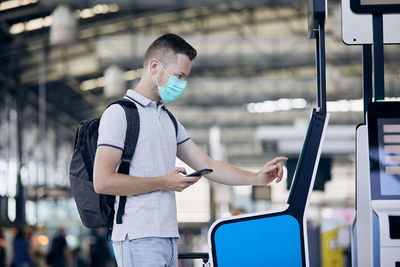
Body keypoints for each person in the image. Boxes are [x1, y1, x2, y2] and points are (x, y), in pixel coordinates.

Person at [93, 33, 287, 267]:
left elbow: (209, 165)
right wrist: (163, 182)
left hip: (168, 237)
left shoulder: (168, 120)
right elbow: (102, 182)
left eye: (185, 77)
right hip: (137, 237)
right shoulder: (119, 114)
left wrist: (256, 177)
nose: (182, 84)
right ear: (155, 66)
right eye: (179, 76)